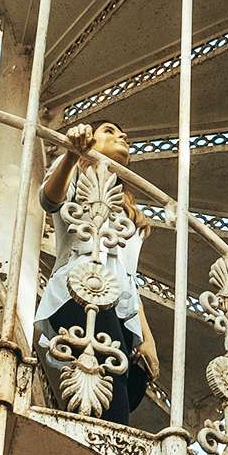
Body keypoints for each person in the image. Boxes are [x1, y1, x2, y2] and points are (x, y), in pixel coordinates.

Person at [35, 122, 159, 424]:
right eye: (109, 131)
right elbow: (49, 200)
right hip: (80, 289)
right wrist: (70, 155)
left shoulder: (126, 210)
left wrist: (146, 337)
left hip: (118, 303)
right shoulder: (77, 173)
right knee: (108, 391)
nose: (122, 135)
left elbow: (127, 277)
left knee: (127, 388)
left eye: (122, 132)